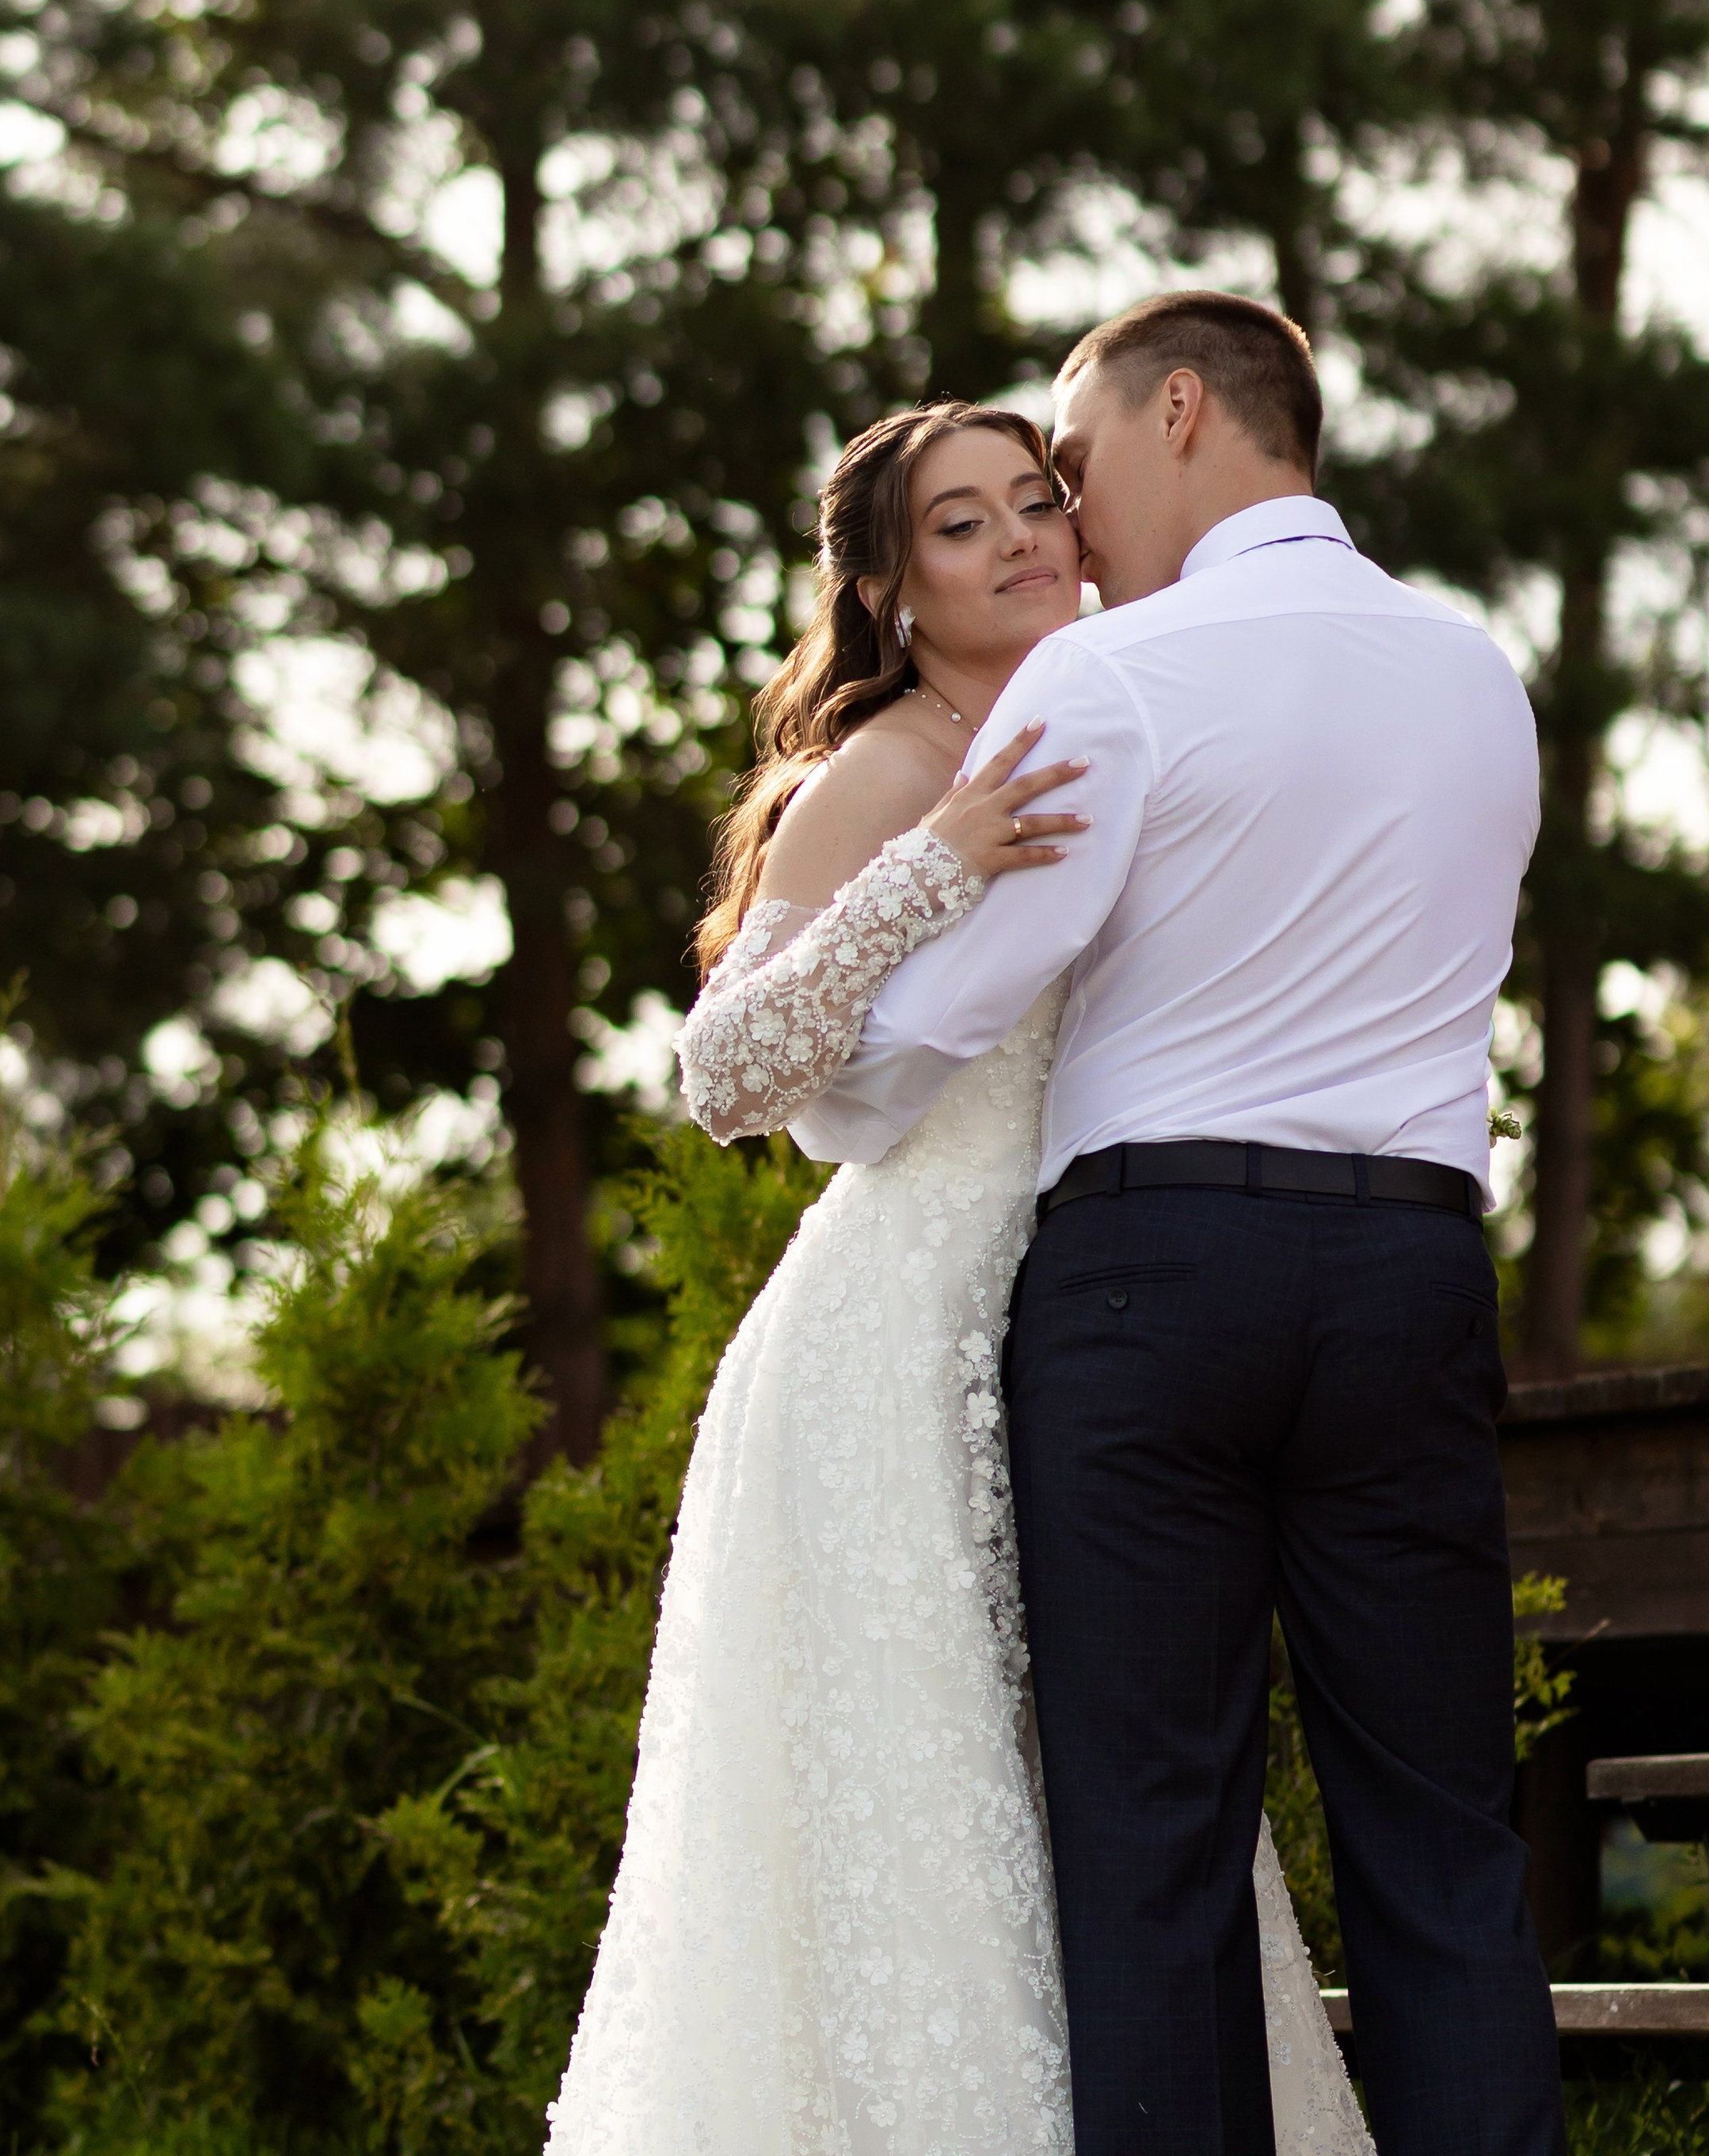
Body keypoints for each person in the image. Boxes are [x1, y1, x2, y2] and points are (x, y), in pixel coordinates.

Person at [545, 394, 1368, 2156]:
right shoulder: (894, 769)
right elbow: (724, 1075)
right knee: (921, 1798)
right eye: (962, 524)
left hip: (1093, 1316)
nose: (1019, 542)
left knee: (1113, 1804)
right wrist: (937, 864)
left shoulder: (1130, 717)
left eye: (1033, 503)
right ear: (895, 591)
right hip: (893, 1334)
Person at [794, 292, 1566, 2156]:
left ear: (1185, 412)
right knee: (1446, 1840)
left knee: (1152, 1851)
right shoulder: (1474, 673)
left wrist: (845, 1069)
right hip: (1406, 1270)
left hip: (1150, 1285)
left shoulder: (1116, 675)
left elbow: (940, 1031)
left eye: (1072, 459)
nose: (1066, 511)